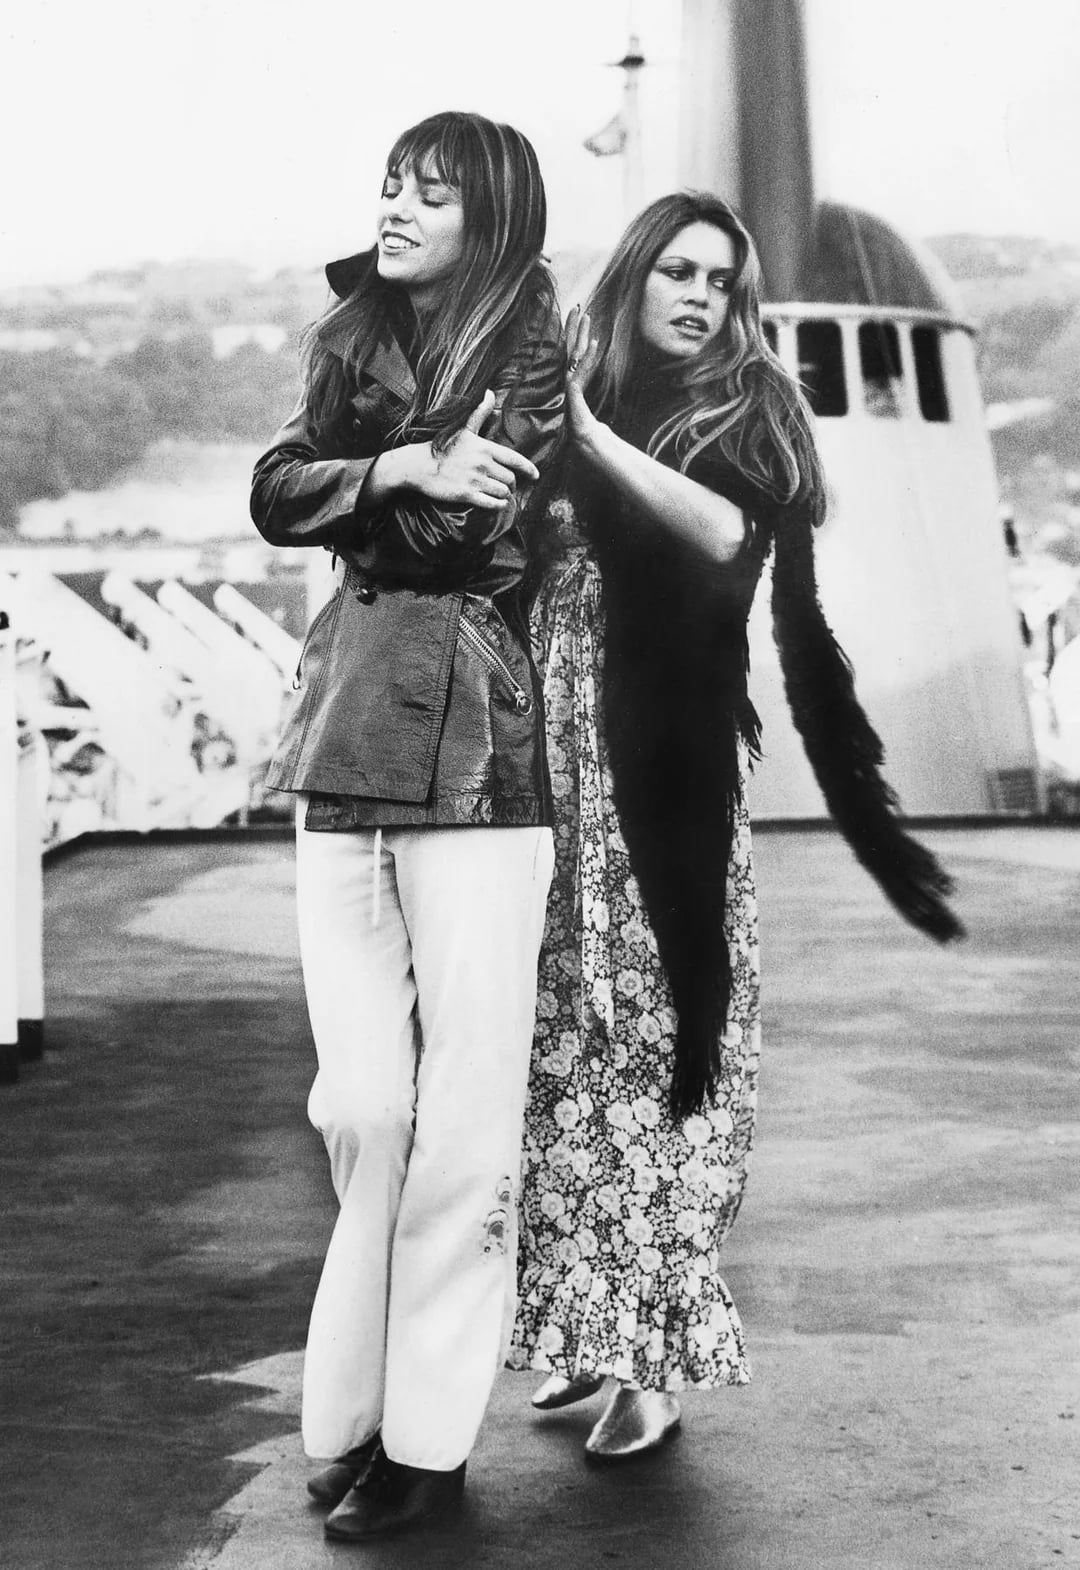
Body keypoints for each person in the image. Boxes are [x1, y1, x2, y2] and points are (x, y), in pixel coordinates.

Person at [509, 192, 961, 1462]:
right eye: (679, 271)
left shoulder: (752, 410)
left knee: (659, 1047)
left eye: (722, 278)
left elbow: (719, 542)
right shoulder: (584, 385)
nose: (702, 295)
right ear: (636, 277)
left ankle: (657, 1357)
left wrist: (584, 437)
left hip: (662, 771)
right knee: (562, 1047)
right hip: (552, 755)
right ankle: (591, 1327)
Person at [250, 111, 563, 1541]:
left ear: (488, 219)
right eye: (389, 183)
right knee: (365, 1107)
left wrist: (370, 484)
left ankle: (424, 1444)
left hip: (479, 768)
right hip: (342, 750)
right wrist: (401, 468)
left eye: (430, 194)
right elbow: (274, 490)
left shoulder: (537, 354)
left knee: (465, 1129)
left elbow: (469, 543)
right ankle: (350, 1412)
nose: (396, 208)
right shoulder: (347, 335)